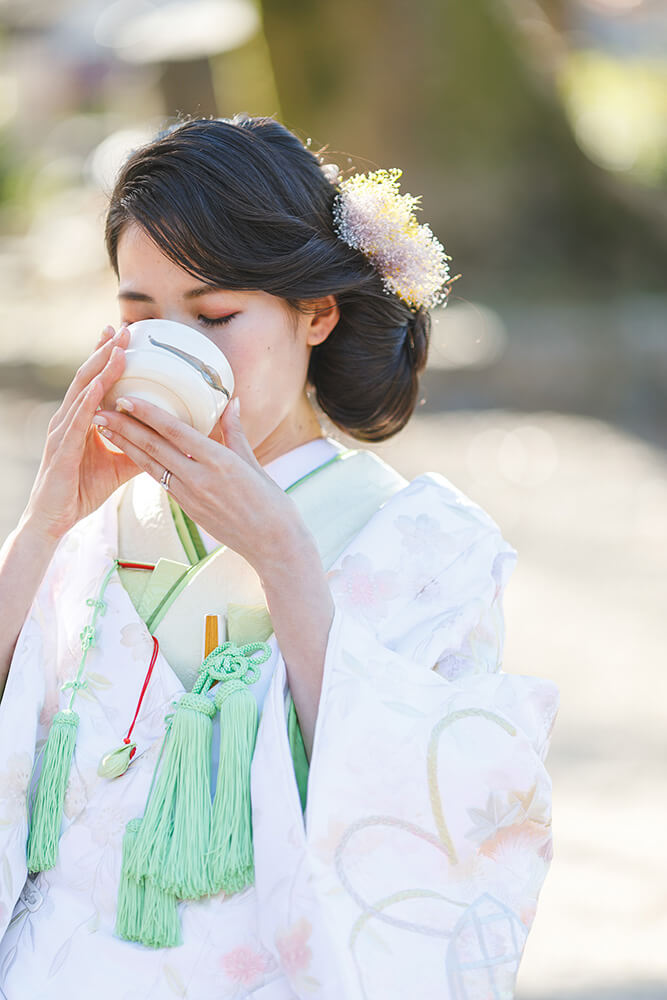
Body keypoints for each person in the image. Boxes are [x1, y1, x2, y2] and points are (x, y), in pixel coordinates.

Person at [0, 114, 557, 1000]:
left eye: (215, 314)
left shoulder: (424, 548)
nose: (172, 345)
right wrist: (41, 527)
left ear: (316, 314)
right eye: (138, 315)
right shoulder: (89, 529)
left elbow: (436, 820)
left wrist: (284, 560)